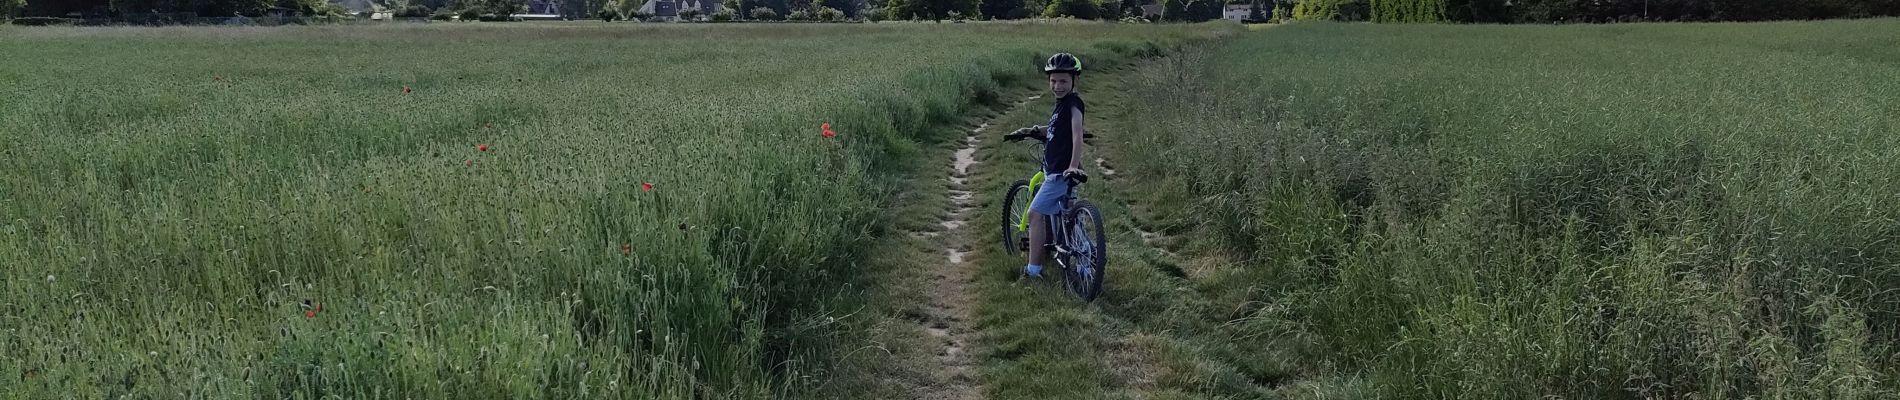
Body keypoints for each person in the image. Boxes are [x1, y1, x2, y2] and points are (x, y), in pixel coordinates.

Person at [1021, 52, 1086, 278]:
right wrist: (1037, 130)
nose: (1057, 86)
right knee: (1070, 216)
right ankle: (1083, 259)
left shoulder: (1073, 103)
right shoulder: (1061, 106)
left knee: (1035, 214)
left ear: (1075, 80)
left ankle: (1033, 271)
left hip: (1061, 172)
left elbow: (1077, 134)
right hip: (1061, 170)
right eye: (1053, 81)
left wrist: (1073, 166)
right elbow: (1058, 131)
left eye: (1063, 81)